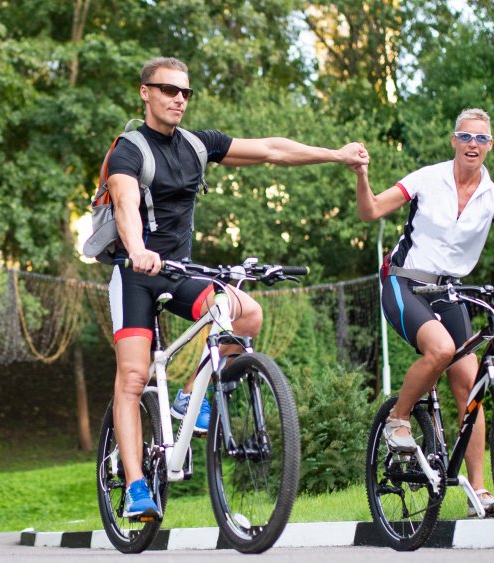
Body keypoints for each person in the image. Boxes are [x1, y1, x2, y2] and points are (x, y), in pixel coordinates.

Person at [108, 57, 369, 519]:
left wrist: (335, 154)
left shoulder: (196, 145)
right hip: (135, 273)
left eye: (185, 92)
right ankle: (134, 487)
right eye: (168, 90)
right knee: (132, 378)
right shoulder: (129, 150)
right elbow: (126, 203)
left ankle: (191, 395)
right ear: (145, 92)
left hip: (179, 270)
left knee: (247, 314)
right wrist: (136, 248)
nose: (178, 99)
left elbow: (273, 150)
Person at [349, 108, 494, 517]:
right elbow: (371, 211)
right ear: (454, 141)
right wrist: (362, 177)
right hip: (404, 281)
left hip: (448, 290)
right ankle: (397, 418)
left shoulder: (493, 196)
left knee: (470, 383)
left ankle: (480, 491)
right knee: (439, 349)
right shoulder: (426, 178)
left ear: (490, 145)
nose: (473, 145)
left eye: (481, 139)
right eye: (465, 137)